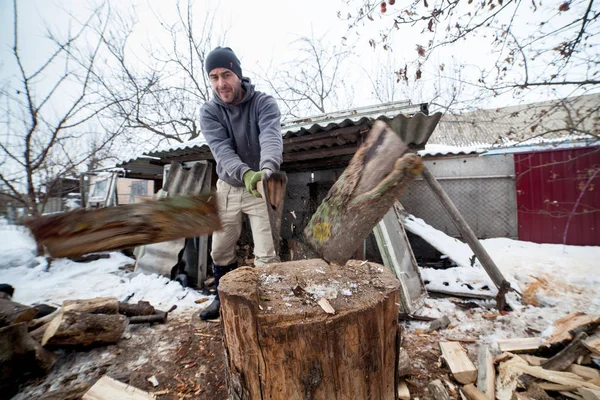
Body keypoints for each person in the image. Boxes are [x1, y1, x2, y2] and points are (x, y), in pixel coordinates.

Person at [198, 46, 283, 320]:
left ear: (238, 74)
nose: (221, 83)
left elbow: (271, 136)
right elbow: (221, 150)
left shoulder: (263, 103)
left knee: (266, 254)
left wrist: (267, 169)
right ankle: (223, 299)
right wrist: (244, 173)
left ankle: (268, 303)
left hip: (260, 185)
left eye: (226, 74)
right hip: (228, 187)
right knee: (220, 249)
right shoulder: (209, 112)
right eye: (213, 77)